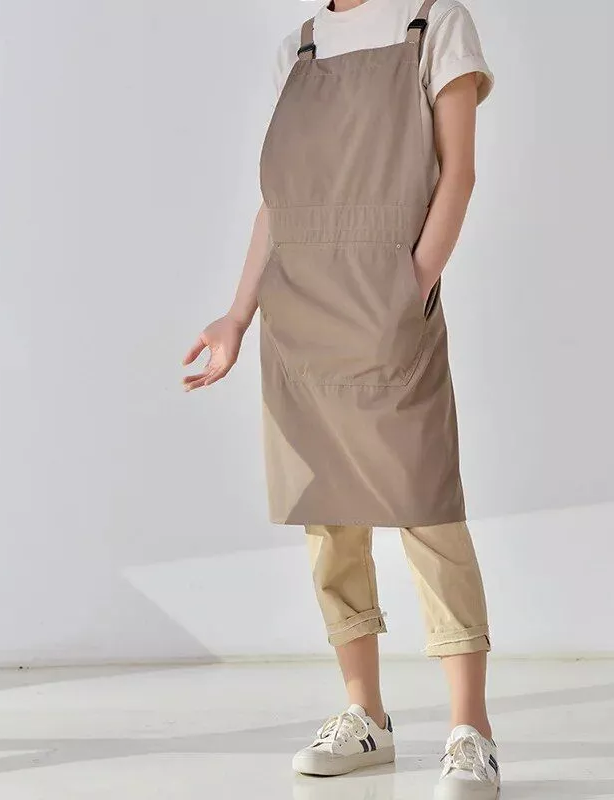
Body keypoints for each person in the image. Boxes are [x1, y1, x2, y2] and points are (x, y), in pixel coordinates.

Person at [183, 0, 497, 796]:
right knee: (328, 521)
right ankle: (366, 716)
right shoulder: (300, 49)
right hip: (299, 318)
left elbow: (457, 173)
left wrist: (408, 288)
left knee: (428, 511)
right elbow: (278, 207)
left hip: (387, 311)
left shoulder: (433, 23)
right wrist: (237, 316)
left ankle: (471, 730)